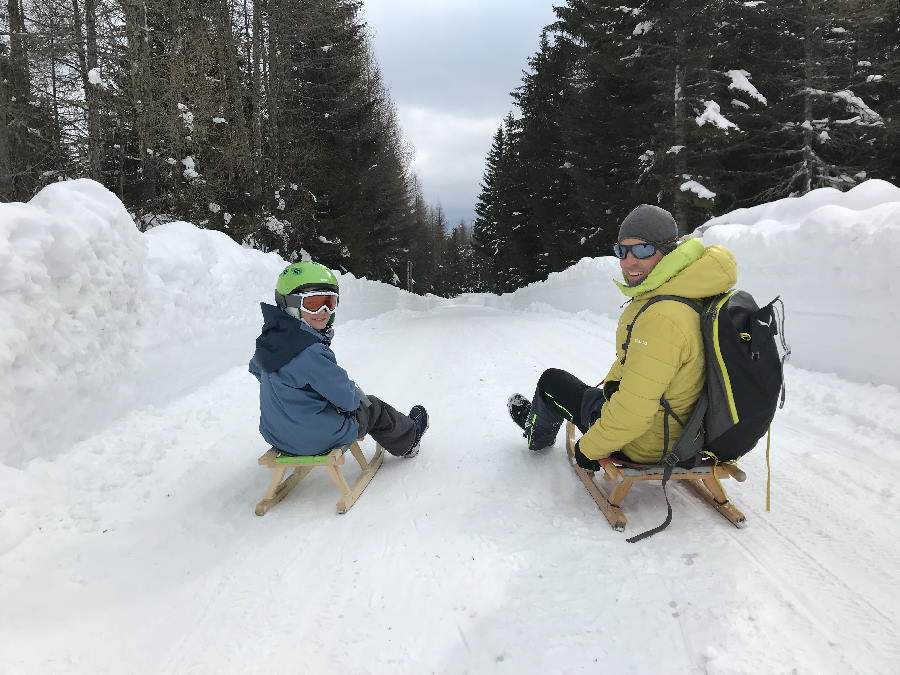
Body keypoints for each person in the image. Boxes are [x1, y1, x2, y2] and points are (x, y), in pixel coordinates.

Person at [508, 204, 736, 470]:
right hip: (686, 432)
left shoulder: (662, 317)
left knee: (551, 380)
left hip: (644, 443)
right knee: (598, 393)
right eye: (622, 250)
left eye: (642, 249)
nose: (629, 261)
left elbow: (634, 412)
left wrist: (589, 448)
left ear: (669, 248)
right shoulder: (693, 293)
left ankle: (535, 435)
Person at [250, 261, 429, 458]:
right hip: (317, 439)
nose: (324, 311)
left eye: (330, 302)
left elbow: (257, 369)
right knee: (373, 407)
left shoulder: (269, 341)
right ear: (289, 304)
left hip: (275, 435)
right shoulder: (310, 351)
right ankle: (409, 439)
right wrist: (352, 396)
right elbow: (349, 400)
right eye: (313, 303)